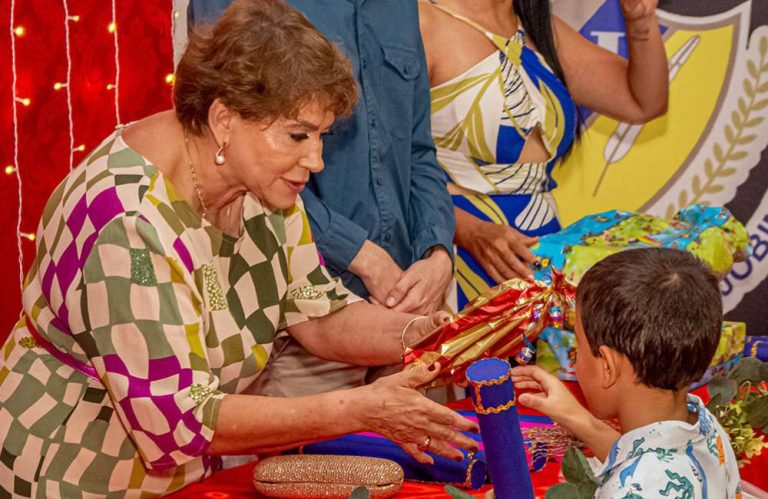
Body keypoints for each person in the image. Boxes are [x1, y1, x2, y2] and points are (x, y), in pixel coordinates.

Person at [0, 2, 479, 496]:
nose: (315, 160)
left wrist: (428, 334)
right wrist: (358, 409)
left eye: (321, 136)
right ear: (224, 118)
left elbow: (316, 313)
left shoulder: (261, 185)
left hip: (192, 476)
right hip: (73, 473)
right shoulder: (126, 221)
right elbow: (175, 423)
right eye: (298, 135)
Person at [189, 0, 457, 396]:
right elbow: (246, 156)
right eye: (303, 135)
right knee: (314, 458)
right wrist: (361, 255)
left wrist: (437, 254)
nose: (314, 158)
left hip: (406, 303)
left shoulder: (400, 8)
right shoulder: (134, 207)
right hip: (296, 335)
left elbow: (417, 150)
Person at [418, 0, 669, 308]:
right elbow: (384, 167)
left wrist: (640, 19)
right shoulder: (418, 21)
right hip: (451, 257)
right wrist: (469, 231)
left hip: (539, 259)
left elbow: (642, 101)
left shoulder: (539, 30)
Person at [511, 248, 742, 497]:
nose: (575, 359)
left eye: (578, 345)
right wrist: (578, 418)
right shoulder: (703, 424)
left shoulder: (628, 491)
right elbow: (646, 460)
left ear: (607, 366)